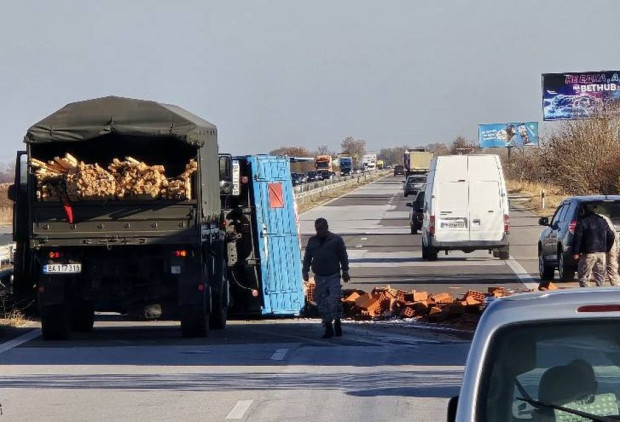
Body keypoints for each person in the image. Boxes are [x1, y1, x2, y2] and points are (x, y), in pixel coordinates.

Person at [302, 218, 350, 338]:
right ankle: (328, 327)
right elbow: (307, 257)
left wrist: (345, 270)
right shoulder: (312, 241)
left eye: (321, 229)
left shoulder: (336, 240)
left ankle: (337, 321)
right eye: (317, 229)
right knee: (322, 303)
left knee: (333, 300)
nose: (319, 231)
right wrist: (305, 271)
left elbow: (343, 256)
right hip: (320, 277)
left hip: (333, 275)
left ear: (327, 227)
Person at [572, 204, 616, 287]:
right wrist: (607, 248)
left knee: (584, 276)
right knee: (600, 277)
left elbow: (578, 238)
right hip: (601, 253)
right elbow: (611, 235)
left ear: (584, 211)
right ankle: (600, 294)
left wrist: (576, 252)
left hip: (587, 253)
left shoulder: (582, 222)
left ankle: (587, 294)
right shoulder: (602, 220)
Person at [596, 210, 620, 286]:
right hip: (612, 245)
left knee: (600, 269)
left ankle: (600, 288)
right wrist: (617, 249)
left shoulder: (593, 220)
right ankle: (617, 287)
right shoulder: (605, 219)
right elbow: (614, 235)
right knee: (612, 269)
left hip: (601, 247)